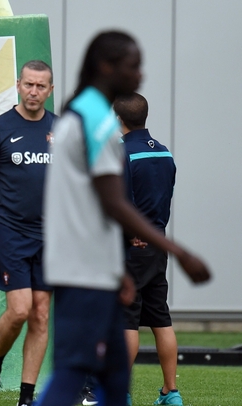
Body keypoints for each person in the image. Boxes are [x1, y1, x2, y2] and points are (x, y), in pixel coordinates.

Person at [36, 31, 210, 406]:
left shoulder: (83, 112)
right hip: (81, 268)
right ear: (106, 67)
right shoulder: (96, 120)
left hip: (94, 264)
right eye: (134, 65)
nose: (141, 74)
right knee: (73, 370)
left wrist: (117, 270)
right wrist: (178, 252)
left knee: (115, 371)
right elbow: (114, 204)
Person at [0, 60, 56, 406]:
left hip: (51, 237)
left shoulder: (62, 130)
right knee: (19, 309)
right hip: (11, 232)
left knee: (40, 313)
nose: (34, 92)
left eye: (41, 86)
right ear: (18, 84)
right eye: (29, 85)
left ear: (50, 90)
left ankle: (25, 397)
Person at [114, 92, 182, 405]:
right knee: (160, 319)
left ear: (119, 120)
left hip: (131, 246)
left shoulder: (120, 154)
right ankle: (171, 392)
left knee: (127, 320)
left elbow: (119, 203)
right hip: (158, 242)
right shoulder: (166, 153)